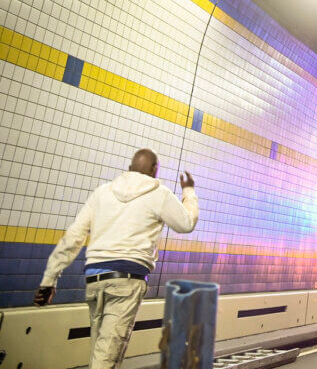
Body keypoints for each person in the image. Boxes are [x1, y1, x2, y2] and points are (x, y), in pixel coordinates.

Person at [34, 148, 199, 369]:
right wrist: (188, 191)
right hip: (126, 281)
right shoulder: (159, 193)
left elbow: (73, 236)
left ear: (129, 168)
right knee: (106, 358)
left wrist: (49, 280)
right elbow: (186, 224)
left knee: (101, 353)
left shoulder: (102, 193)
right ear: (154, 171)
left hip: (95, 280)